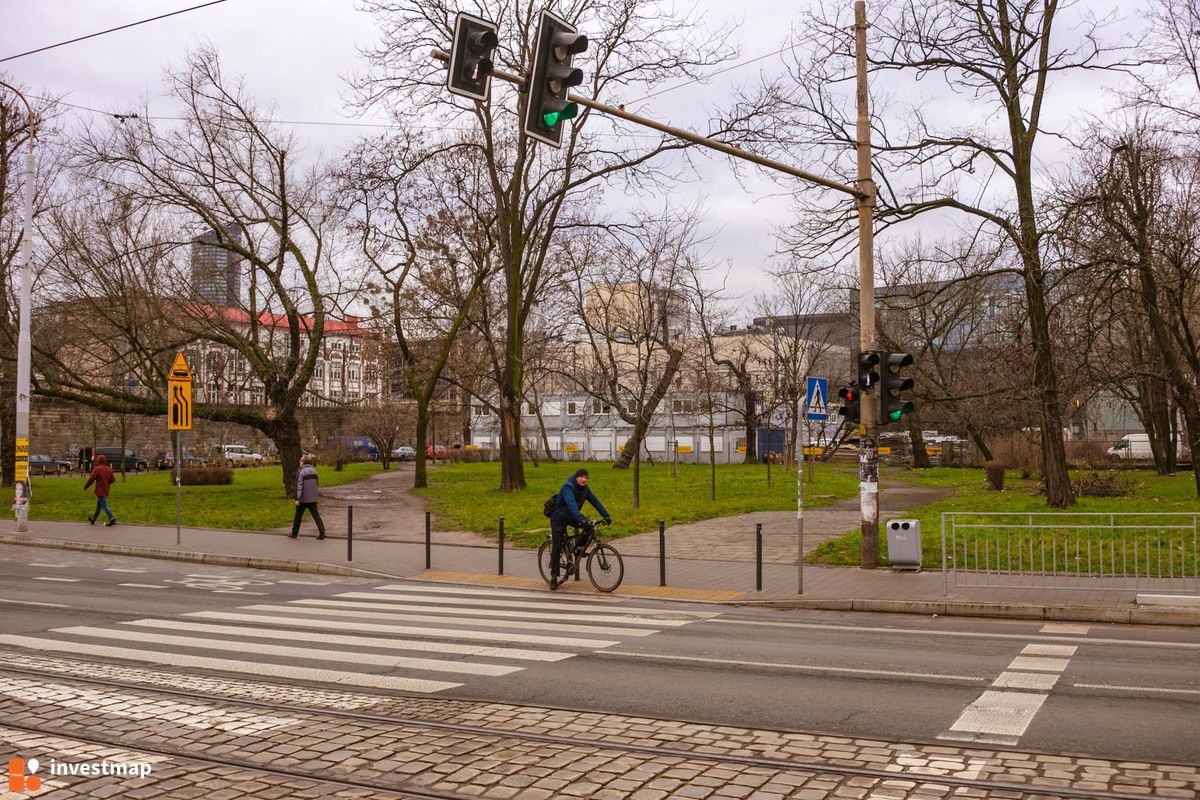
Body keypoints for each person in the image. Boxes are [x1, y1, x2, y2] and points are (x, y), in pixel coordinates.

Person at [547, 468, 611, 590]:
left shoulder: (585, 489)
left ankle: (577, 548)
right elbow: (571, 504)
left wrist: (606, 515)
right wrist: (580, 518)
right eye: (582, 477)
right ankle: (554, 577)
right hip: (559, 517)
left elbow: (595, 501)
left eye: (586, 478)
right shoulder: (568, 487)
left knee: (589, 527)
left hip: (572, 515)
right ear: (576, 478)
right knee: (557, 545)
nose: (584, 480)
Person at [289, 454, 326, 539]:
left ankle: (294, 533)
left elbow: (299, 486)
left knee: (298, 516)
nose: (299, 463)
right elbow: (316, 484)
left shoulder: (301, 472)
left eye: (300, 461)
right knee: (316, 515)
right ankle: (322, 532)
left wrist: (297, 498)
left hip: (303, 499)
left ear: (303, 462)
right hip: (313, 498)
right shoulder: (314, 471)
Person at [83, 454, 117, 527]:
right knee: (99, 506)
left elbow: (91, 479)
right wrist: (107, 482)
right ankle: (93, 519)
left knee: (104, 506)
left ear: (98, 461)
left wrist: (85, 487)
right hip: (106, 489)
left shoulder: (97, 469)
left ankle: (112, 518)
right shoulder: (109, 469)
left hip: (100, 490)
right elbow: (113, 480)